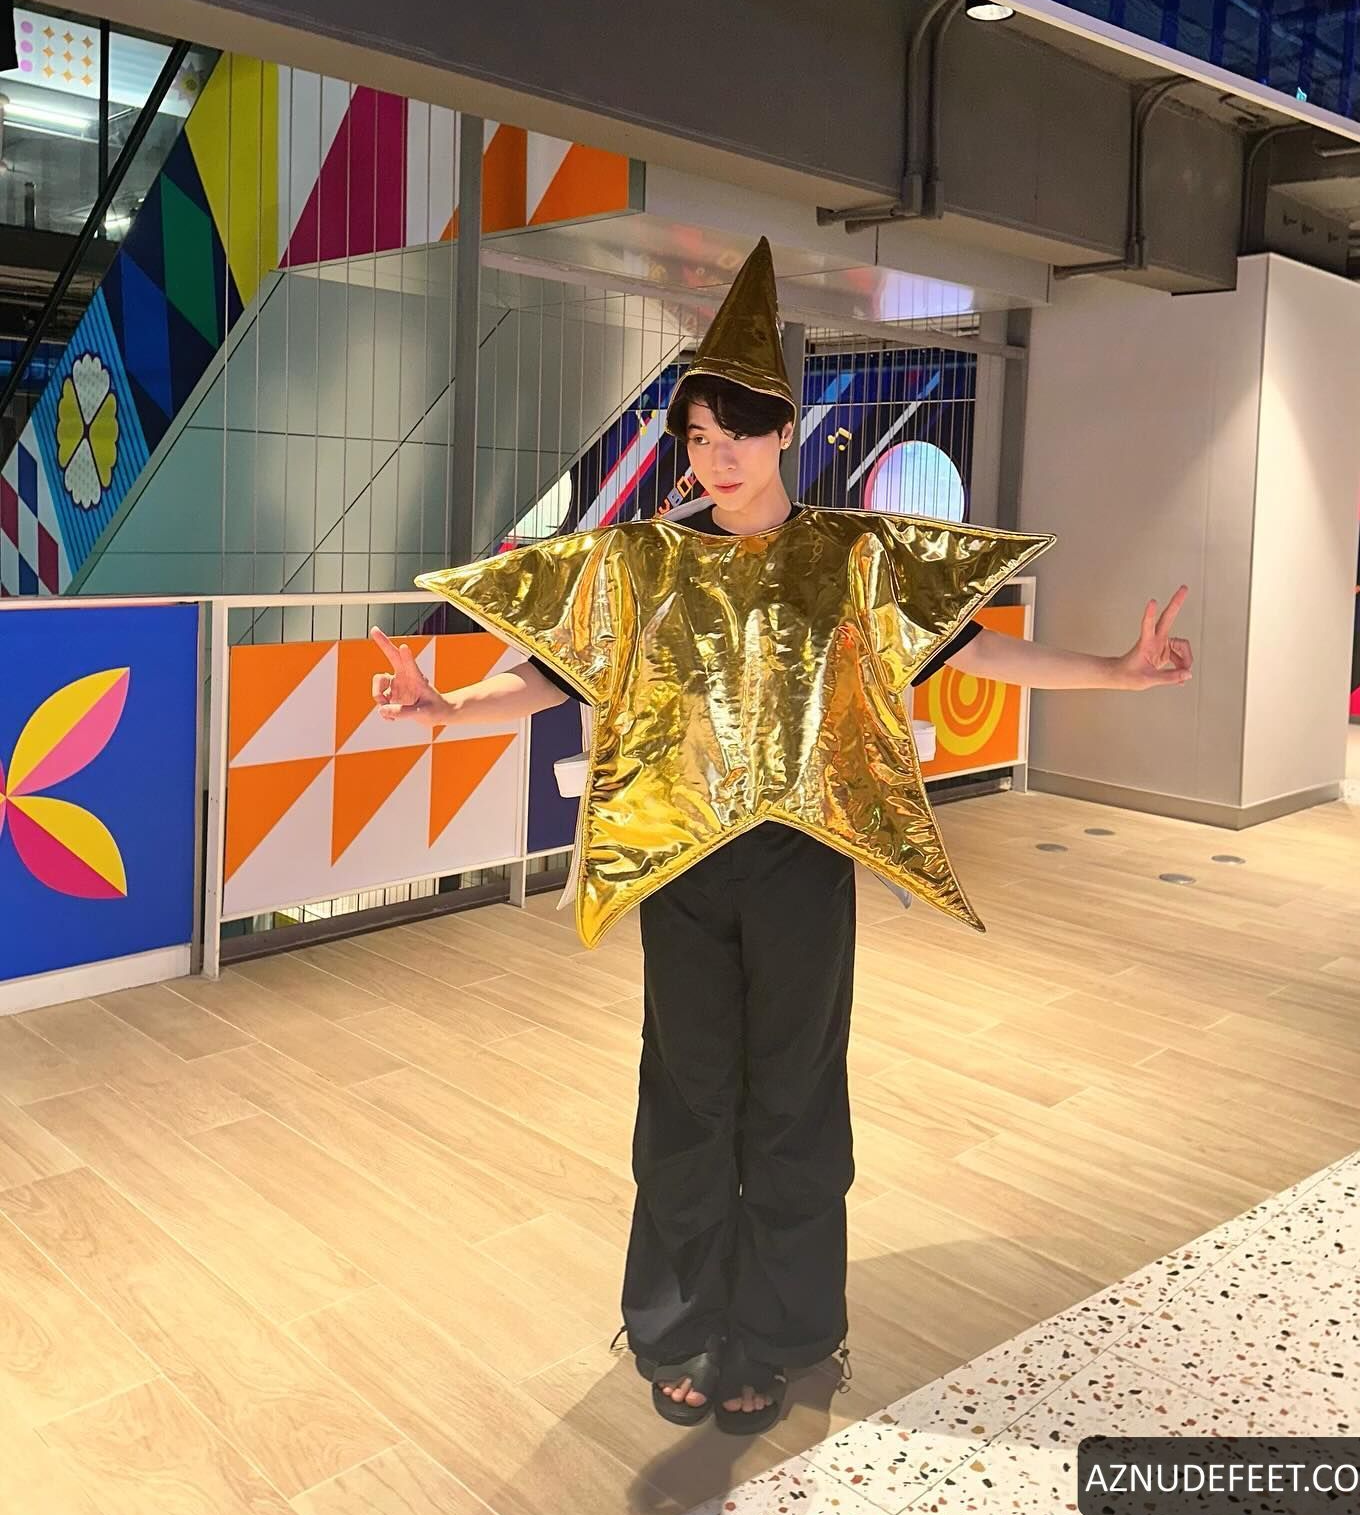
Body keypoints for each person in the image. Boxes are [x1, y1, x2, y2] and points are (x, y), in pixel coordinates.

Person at [371, 239, 1192, 1435]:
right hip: (680, 858)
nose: (720, 456)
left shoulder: (853, 557)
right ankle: (679, 1325)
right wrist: (446, 707)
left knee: (796, 1096)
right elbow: (549, 678)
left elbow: (976, 651)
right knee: (688, 1091)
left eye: (740, 433)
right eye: (702, 435)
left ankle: (783, 1332)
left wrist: (1116, 671)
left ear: (784, 434)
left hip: (802, 859)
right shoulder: (643, 562)